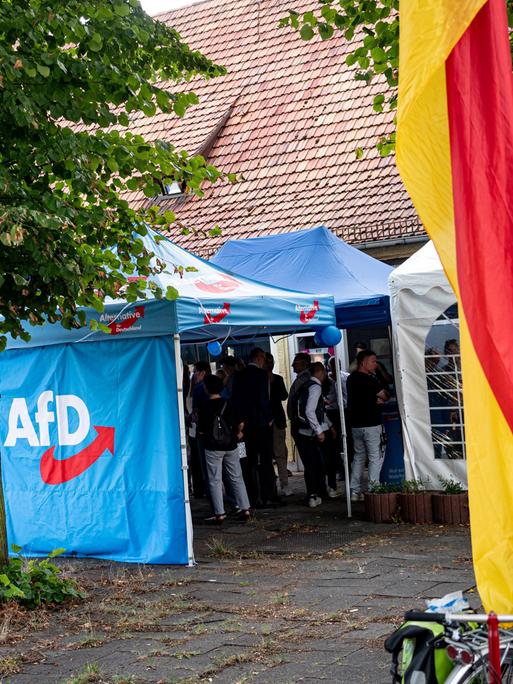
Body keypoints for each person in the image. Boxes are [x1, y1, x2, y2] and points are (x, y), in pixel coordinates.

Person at [197, 375, 251, 524]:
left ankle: (219, 513)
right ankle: (245, 508)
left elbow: (201, 430)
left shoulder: (204, 406)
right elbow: (240, 423)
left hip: (212, 447)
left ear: (207, 388)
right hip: (231, 445)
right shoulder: (229, 403)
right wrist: (238, 433)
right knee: (236, 477)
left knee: (215, 479)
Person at [232, 347, 278, 507]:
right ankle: (267, 494)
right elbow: (262, 399)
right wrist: (269, 417)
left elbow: (235, 400)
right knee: (265, 460)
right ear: (259, 358)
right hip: (261, 425)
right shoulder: (260, 375)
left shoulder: (238, 376)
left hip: (243, 428)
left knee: (245, 460)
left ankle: (250, 495)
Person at [347, 350, 389, 501]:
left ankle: (354, 491)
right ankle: (373, 489)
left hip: (356, 424)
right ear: (363, 363)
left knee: (358, 457)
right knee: (374, 457)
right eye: (373, 361)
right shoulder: (370, 380)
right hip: (371, 423)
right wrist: (378, 399)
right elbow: (385, 395)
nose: (376, 364)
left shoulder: (350, 379)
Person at [295, 361, 337, 507]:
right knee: (325, 461)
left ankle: (313, 494)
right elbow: (310, 411)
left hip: (303, 430)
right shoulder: (316, 387)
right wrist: (319, 430)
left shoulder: (304, 386)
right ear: (321, 372)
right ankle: (326, 489)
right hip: (311, 431)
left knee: (311, 464)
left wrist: (329, 425)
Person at [265, 352, 292, 496]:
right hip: (277, 419)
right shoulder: (278, 379)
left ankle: (271, 484)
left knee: (267, 454)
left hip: (264, 421)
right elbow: (284, 396)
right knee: (281, 454)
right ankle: (284, 484)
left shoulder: (259, 380)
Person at [287, 352, 312, 433]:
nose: (292, 365)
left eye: (295, 363)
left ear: (304, 364)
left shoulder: (304, 379)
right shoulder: (302, 378)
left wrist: (294, 418)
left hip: (301, 422)